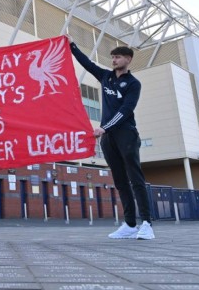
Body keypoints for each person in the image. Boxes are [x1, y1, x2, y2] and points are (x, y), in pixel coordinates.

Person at [66, 34, 155, 240]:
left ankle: (147, 223)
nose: (114, 60)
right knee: (120, 180)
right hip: (108, 137)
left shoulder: (133, 84)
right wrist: (72, 45)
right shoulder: (105, 77)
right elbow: (86, 63)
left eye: (118, 57)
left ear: (128, 60)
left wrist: (104, 127)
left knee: (135, 178)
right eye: (113, 57)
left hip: (126, 134)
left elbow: (126, 110)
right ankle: (130, 224)